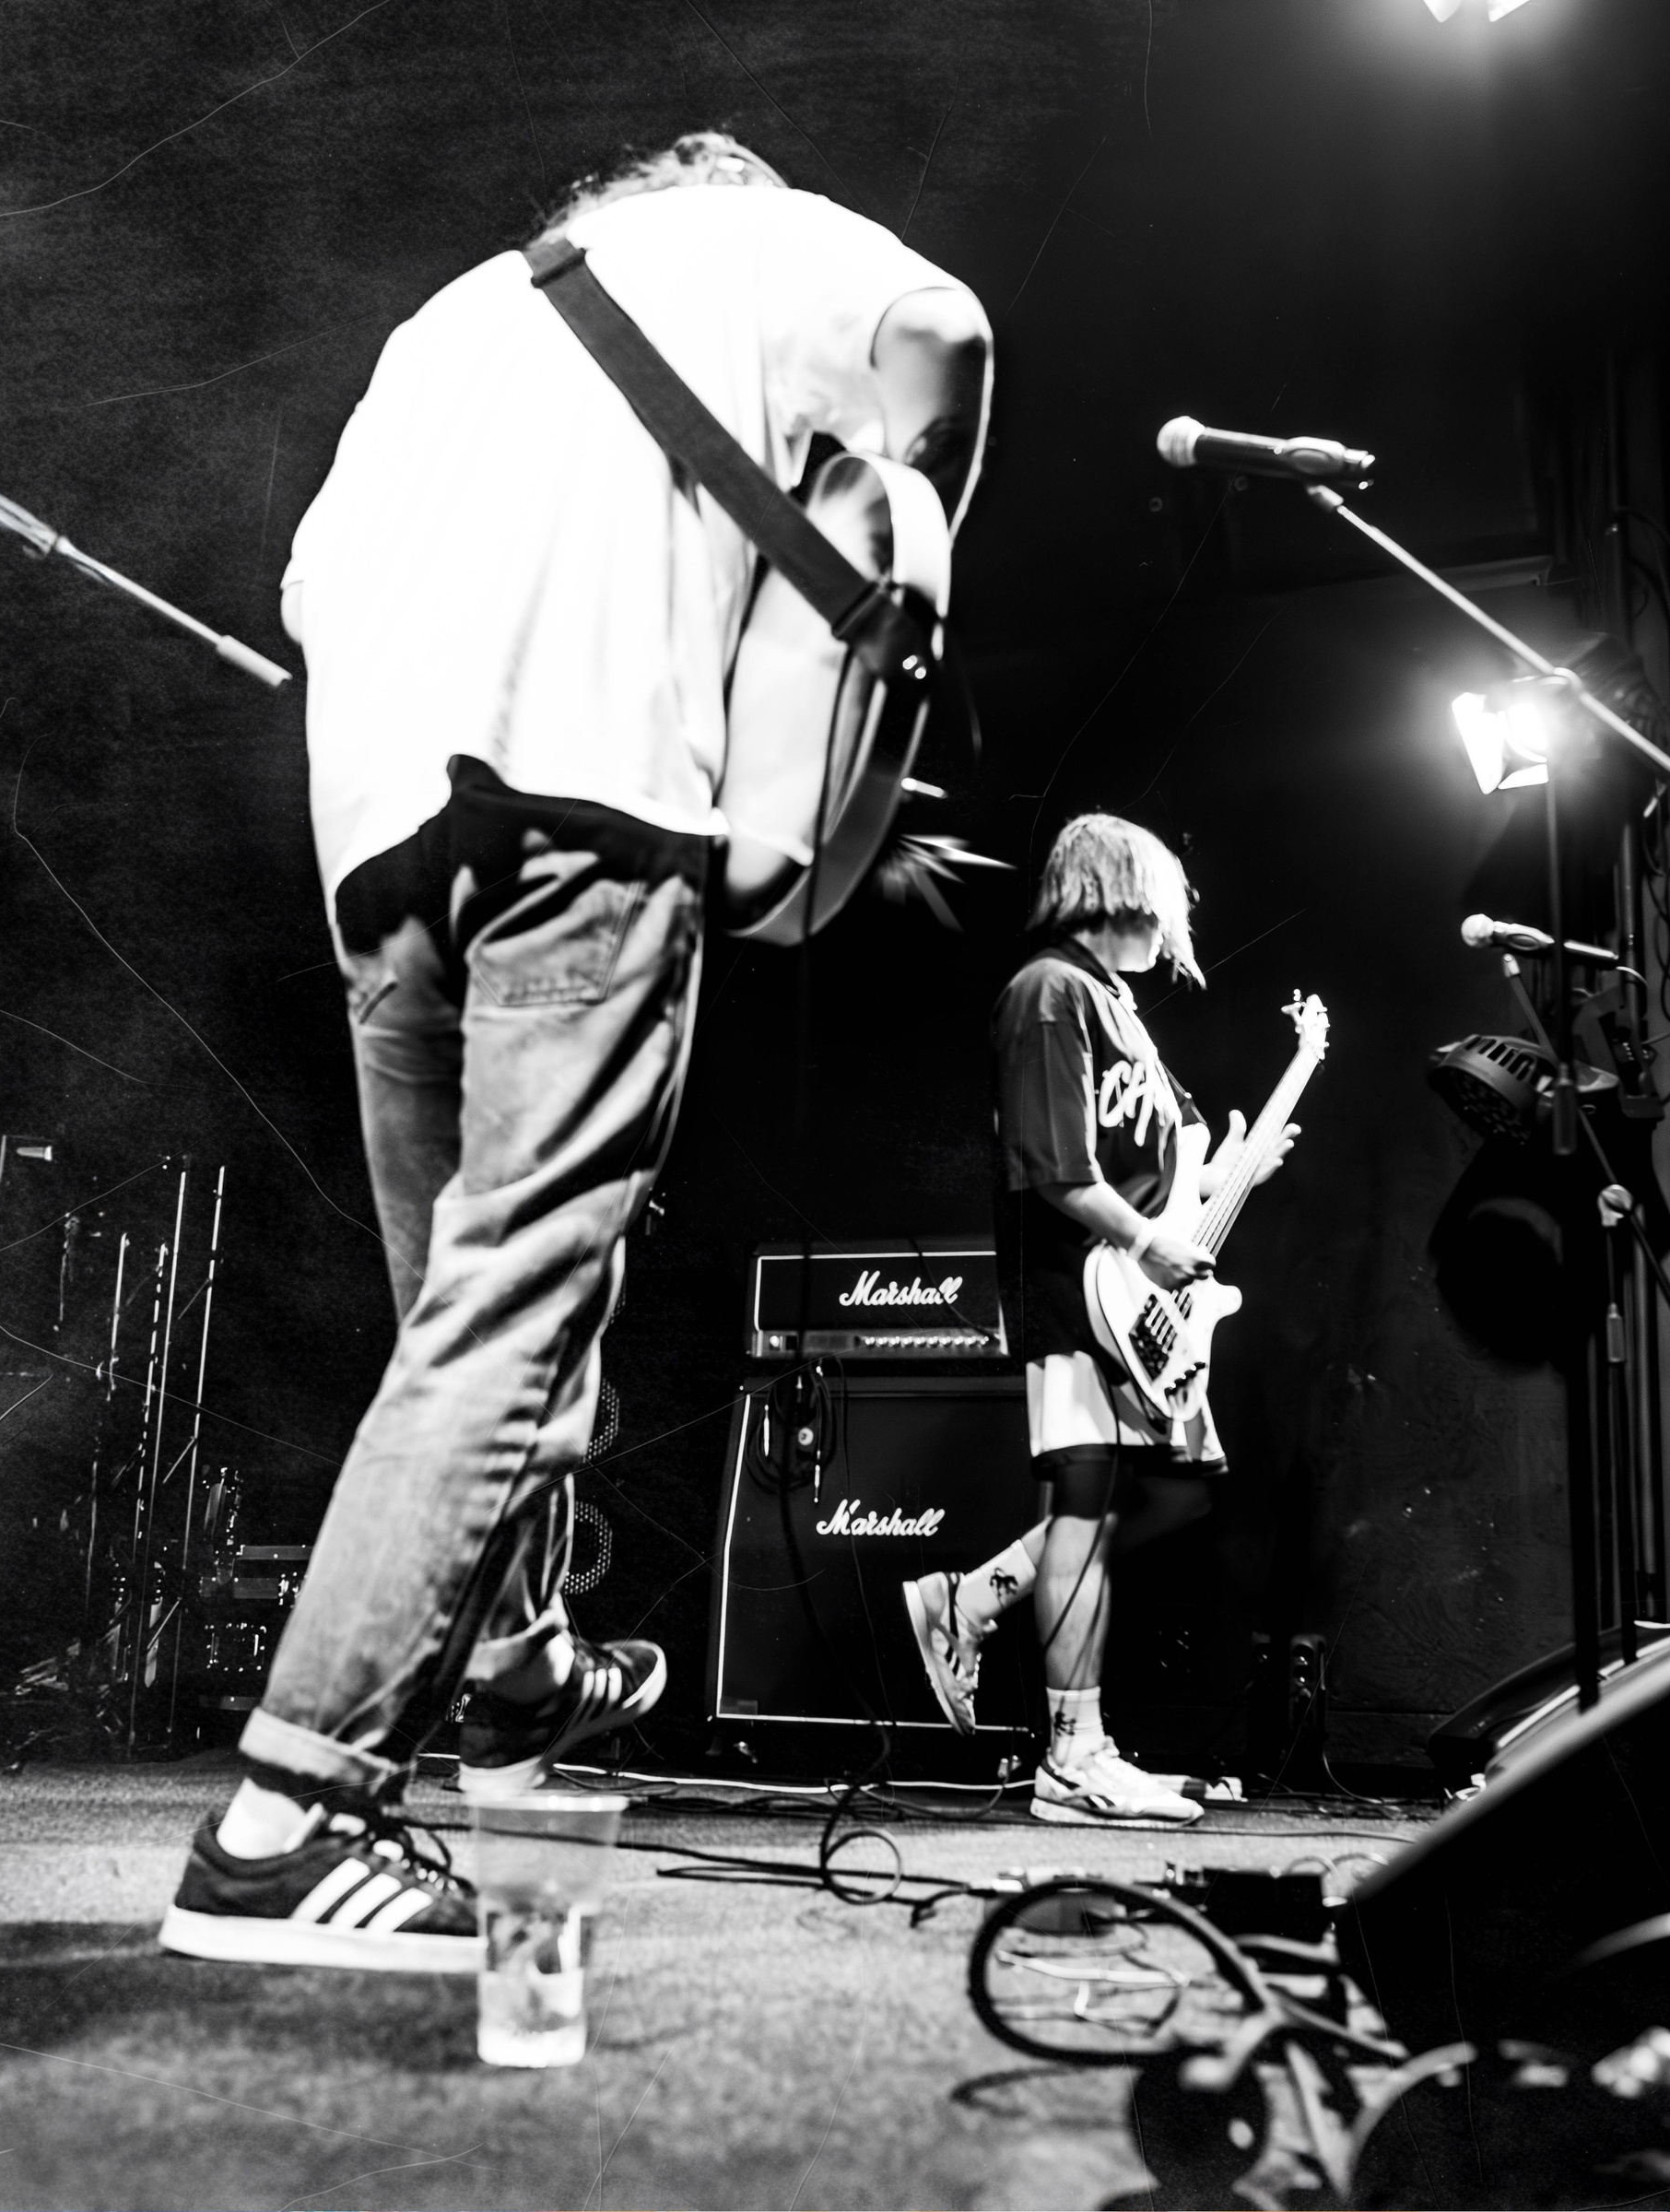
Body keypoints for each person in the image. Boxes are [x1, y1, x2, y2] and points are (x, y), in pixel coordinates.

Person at [159, 132, 993, 1968]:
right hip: (586, 829)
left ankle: (520, 1672)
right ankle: (280, 1833)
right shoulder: (752, 240)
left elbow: (310, 592)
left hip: (382, 852)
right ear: (716, 188)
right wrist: (904, 577)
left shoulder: (438, 331)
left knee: (472, 1320)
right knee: (515, 1312)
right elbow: (945, 333)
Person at [902, 813, 1296, 1826]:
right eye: (1163, 904)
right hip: (1079, 1293)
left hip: (1134, 1304)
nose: (1173, 926)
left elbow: (1159, 1170)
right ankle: (1074, 1757)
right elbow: (1054, 1169)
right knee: (1086, 1503)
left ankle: (975, 1595)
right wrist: (1149, 1242)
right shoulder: (1049, 992)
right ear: (1119, 890)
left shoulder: (1122, 1011)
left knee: (1173, 1495)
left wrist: (1231, 1171)